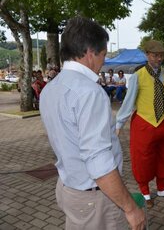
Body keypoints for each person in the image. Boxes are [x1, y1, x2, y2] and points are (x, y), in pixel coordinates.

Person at [39, 16, 145, 230]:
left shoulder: (51, 87)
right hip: (94, 198)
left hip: (69, 188)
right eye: (103, 55)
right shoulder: (89, 92)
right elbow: (98, 161)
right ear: (90, 53)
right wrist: (130, 208)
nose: (103, 61)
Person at [116, 40, 164, 208]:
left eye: (161, 55)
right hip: (146, 123)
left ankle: (162, 188)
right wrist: (118, 124)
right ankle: (145, 191)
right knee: (143, 158)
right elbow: (129, 101)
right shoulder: (138, 75)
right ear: (147, 55)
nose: (159, 58)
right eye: (155, 55)